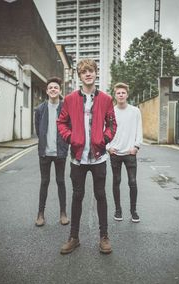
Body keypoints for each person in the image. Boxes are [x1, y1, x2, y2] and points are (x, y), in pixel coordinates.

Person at [57, 58, 117, 254]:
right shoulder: (70, 99)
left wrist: (104, 139)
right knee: (77, 196)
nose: (88, 74)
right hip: (77, 157)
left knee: (101, 196)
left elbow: (112, 124)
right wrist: (70, 138)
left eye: (91, 70)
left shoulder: (106, 99)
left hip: (99, 157)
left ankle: (104, 237)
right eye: (84, 72)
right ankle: (74, 237)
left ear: (96, 73)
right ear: (80, 76)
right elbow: (61, 123)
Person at [35, 77, 69, 227]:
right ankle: (40, 214)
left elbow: (69, 128)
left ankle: (63, 213)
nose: (53, 90)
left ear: (59, 90)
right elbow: (38, 130)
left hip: (60, 152)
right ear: (47, 91)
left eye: (56, 87)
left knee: (61, 181)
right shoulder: (40, 109)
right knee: (44, 182)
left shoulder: (65, 108)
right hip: (45, 153)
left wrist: (65, 145)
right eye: (50, 88)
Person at [107, 82, 143, 223]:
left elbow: (139, 129)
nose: (121, 95)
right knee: (116, 181)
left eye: (123, 93)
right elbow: (105, 130)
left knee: (132, 182)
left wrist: (136, 146)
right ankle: (118, 210)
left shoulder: (135, 111)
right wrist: (108, 147)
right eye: (118, 93)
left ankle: (133, 211)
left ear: (127, 94)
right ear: (115, 95)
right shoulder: (111, 112)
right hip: (115, 153)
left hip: (130, 152)